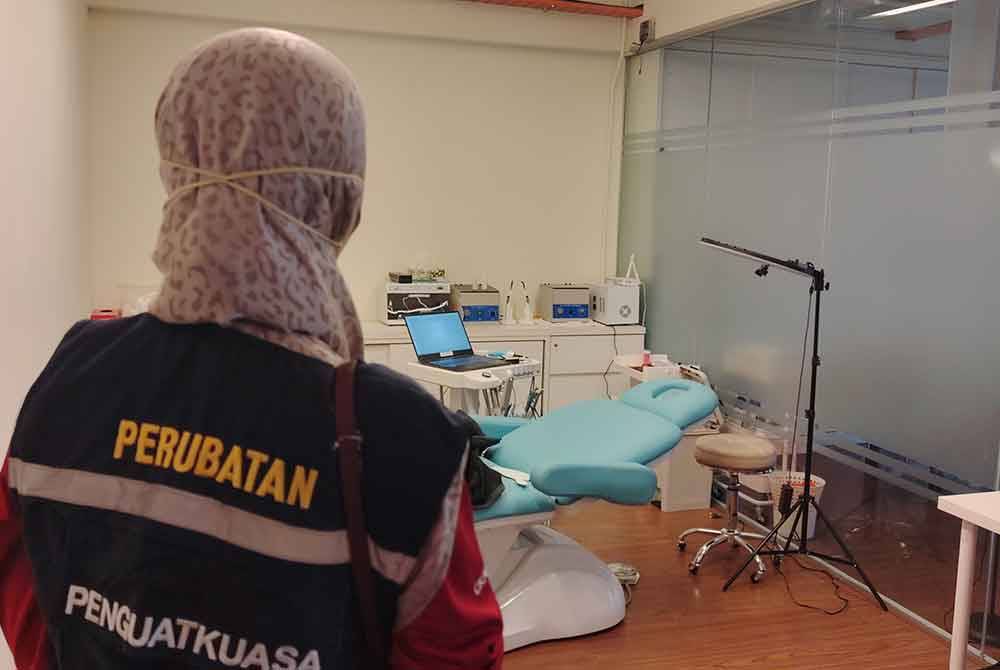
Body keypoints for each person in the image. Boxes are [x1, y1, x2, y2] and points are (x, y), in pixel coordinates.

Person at [0, 28, 502, 669]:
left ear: (177, 168)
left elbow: (24, 580)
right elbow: (456, 653)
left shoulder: (72, 373)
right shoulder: (402, 438)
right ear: (339, 194)